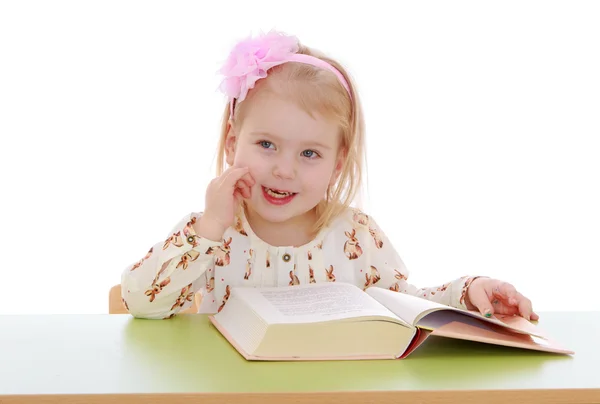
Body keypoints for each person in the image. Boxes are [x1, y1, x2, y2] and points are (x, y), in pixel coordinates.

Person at [120, 30, 538, 322]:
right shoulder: (213, 233)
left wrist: (469, 289)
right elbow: (140, 300)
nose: (284, 169)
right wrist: (210, 227)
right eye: (266, 145)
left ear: (337, 164)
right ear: (233, 144)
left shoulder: (355, 235)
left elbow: (406, 305)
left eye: (309, 153)